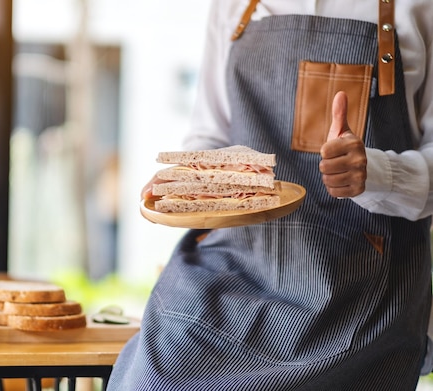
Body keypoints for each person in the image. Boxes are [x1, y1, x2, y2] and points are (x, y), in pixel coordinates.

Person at [108, 1, 433, 390]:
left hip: (358, 286)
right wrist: (188, 179)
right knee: (150, 377)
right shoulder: (233, 6)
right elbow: (209, 136)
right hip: (233, 267)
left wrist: (376, 173)